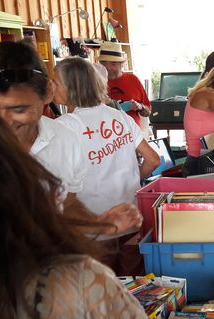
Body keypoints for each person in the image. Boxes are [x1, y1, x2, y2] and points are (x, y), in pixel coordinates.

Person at [0, 89, 178, 319]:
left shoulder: (79, 298)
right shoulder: (110, 118)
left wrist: (104, 218)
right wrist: (127, 192)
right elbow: (152, 160)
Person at [0, 41, 141, 237]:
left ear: (48, 93)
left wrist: (99, 225)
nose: (2, 122)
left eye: (18, 109)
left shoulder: (66, 139)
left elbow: (68, 204)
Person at [53, 57, 160, 276]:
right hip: (131, 221)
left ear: (71, 86)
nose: (50, 86)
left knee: (102, 296)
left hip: (94, 228)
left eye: (55, 81)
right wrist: (132, 178)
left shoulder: (64, 127)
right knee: (136, 290)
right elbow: (153, 160)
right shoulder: (120, 116)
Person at [99, 41, 150, 127]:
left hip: (132, 133)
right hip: (105, 133)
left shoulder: (133, 80)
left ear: (121, 65)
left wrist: (140, 107)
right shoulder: (94, 83)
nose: (108, 68)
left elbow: (147, 112)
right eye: (104, 64)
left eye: (113, 64)